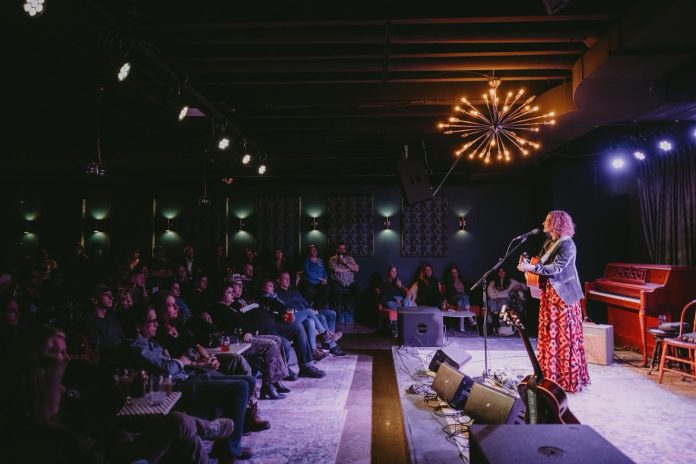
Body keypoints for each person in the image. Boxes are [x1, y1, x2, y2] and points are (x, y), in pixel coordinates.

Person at [517, 210, 590, 393]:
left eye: (547, 220)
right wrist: (528, 264)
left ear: (557, 223)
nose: (543, 222)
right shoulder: (551, 242)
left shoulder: (567, 244)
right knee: (550, 337)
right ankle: (550, 376)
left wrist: (531, 267)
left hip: (563, 298)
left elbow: (556, 268)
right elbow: (541, 263)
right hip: (550, 295)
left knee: (563, 339)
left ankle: (566, 380)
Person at [327, 242, 360, 324]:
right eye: (340, 248)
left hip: (350, 283)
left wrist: (346, 263)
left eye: (343, 248)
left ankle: (348, 303)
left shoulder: (350, 258)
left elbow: (356, 269)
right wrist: (348, 269)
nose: (342, 250)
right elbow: (335, 270)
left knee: (357, 289)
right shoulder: (332, 259)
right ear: (337, 250)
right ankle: (339, 319)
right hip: (338, 282)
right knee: (336, 292)